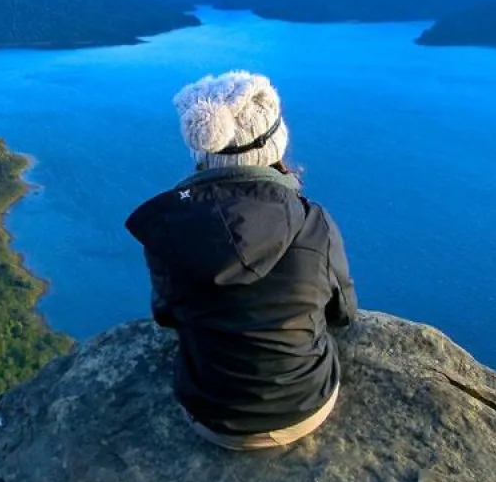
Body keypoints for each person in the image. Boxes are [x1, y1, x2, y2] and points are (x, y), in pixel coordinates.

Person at [125, 71, 357, 450]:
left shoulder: (171, 230)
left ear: (202, 153)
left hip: (210, 416)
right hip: (303, 408)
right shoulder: (314, 223)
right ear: (275, 145)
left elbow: (167, 316)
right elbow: (342, 315)